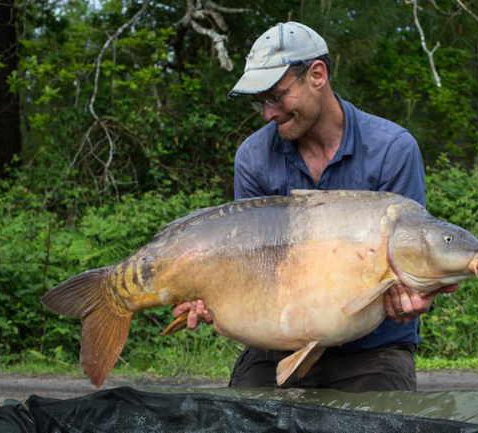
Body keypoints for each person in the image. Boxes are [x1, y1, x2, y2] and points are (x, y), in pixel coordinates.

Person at [173, 21, 458, 392]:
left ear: (317, 75)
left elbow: (414, 259)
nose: (267, 114)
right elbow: (250, 264)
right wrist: (213, 294)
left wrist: (418, 298)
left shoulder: (392, 149)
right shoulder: (253, 157)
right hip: (276, 346)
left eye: (275, 97)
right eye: (260, 102)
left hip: (371, 350)